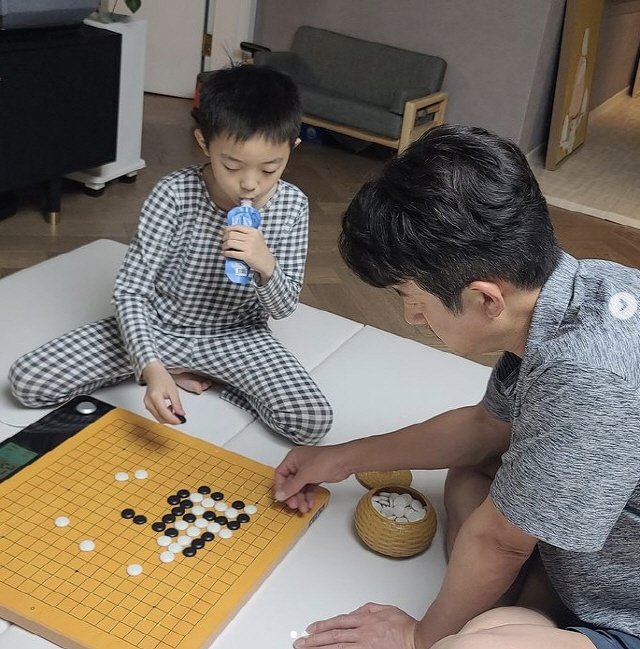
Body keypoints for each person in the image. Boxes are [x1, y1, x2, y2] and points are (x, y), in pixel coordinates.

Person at [274, 125, 640, 649]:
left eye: (411, 295)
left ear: (486, 299)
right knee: (473, 467)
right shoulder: (573, 293)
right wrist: (341, 458)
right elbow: (481, 429)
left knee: (465, 642)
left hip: (627, 611)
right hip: (595, 553)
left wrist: (418, 636)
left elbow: (499, 544)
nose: (412, 316)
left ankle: (526, 615)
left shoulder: (587, 378)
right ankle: (532, 607)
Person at [9, 64, 333, 445]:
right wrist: (152, 367)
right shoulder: (174, 194)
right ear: (204, 143)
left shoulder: (292, 205)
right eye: (231, 165)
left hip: (236, 336)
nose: (249, 183)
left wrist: (266, 266)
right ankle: (167, 369)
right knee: (27, 382)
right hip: (159, 325)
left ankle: (213, 378)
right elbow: (131, 292)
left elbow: (282, 308)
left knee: (311, 422)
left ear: (291, 149)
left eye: (270, 168)